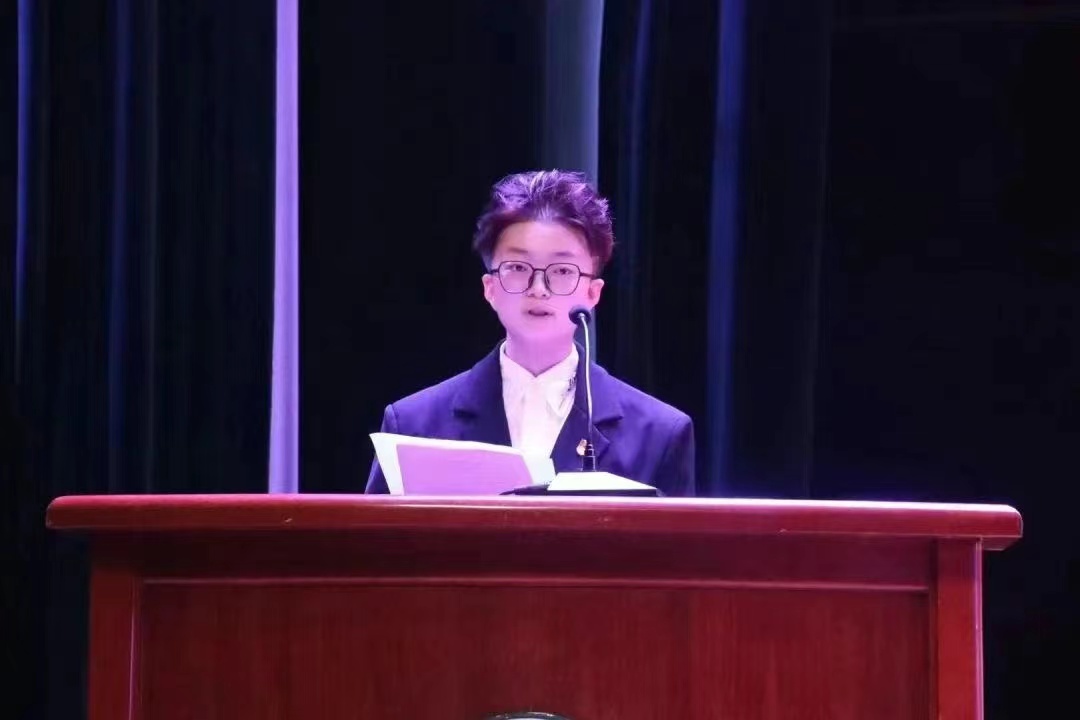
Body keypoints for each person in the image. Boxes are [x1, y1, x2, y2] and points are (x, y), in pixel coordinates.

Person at [365, 169, 695, 496]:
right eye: (518, 268)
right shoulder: (413, 427)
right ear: (490, 288)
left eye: (562, 270)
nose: (538, 289)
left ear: (593, 293)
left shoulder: (658, 434)